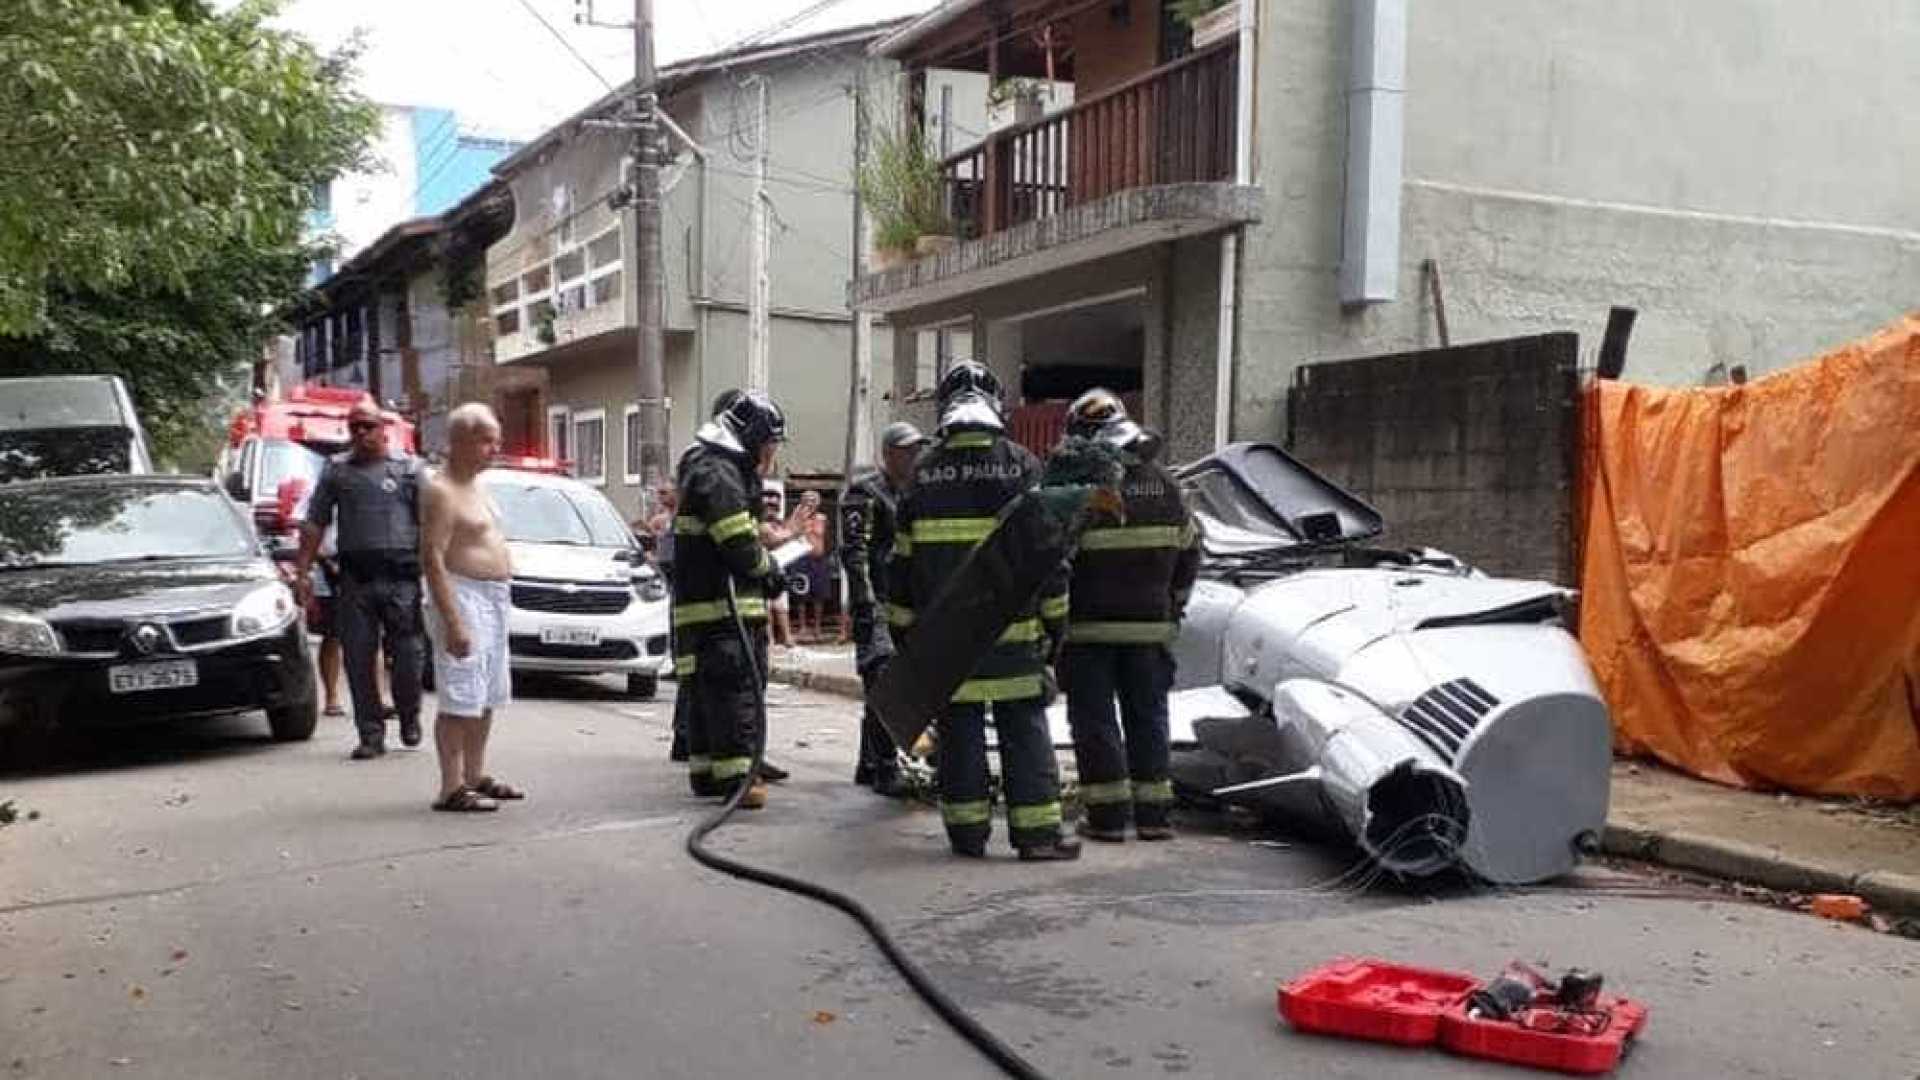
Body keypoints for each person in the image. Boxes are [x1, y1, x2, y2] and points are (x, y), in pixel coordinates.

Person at [889, 362, 1079, 861]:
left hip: (949, 643)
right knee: (1024, 730)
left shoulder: (922, 474)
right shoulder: (1022, 466)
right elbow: (1051, 561)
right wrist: (1054, 631)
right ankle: (1037, 836)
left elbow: (900, 570)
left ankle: (968, 835)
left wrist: (908, 639)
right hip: (1014, 639)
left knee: (961, 732)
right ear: (996, 405)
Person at [1054, 390, 1200, 842]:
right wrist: (1172, 605)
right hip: (1150, 629)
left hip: (1088, 631)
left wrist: (1052, 625)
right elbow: (1190, 552)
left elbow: (1056, 560)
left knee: (1095, 721)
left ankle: (1109, 818)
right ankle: (1154, 817)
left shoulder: (1080, 492)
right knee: (1149, 716)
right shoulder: (1169, 487)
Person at [674, 390, 796, 807]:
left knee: (712, 694)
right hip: (722, 614)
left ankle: (708, 772)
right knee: (733, 691)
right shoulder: (719, 473)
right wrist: (772, 573)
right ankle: (737, 778)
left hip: (710, 611)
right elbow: (739, 544)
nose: (769, 453)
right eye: (768, 444)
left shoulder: (715, 467)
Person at [294, 397, 426, 759]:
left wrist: (434, 570)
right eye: (355, 427)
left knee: (409, 656)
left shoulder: (410, 470)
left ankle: (409, 714)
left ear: (383, 428)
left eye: (368, 425)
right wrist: (303, 571)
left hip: (402, 577)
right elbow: (314, 522)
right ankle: (370, 733)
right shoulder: (337, 471)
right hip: (355, 579)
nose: (361, 433)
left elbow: (430, 524)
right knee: (357, 656)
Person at [420, 403, 521, 812]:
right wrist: (454, 622)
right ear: (459, 441)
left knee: (487, 693)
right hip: (463, 595)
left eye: (496, 440)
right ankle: (451, 785)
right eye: (485, 440)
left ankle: (476, 774)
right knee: (460, 694)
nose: (494, 449)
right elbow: (432, 558)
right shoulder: (441, 491)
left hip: (494, 597)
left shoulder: (479, 486)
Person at [839, 421, 929, 797]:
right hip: (875, 604)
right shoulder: (866, 493)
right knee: (884, 682)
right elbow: (855, 553)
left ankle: (869, 762)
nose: (914, 457)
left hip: (900, 604)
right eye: (907, 451)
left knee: (886, 685)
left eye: (917, 450)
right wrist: (867, 604)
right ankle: (885, 767)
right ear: (889, 454)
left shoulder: (912, 493)